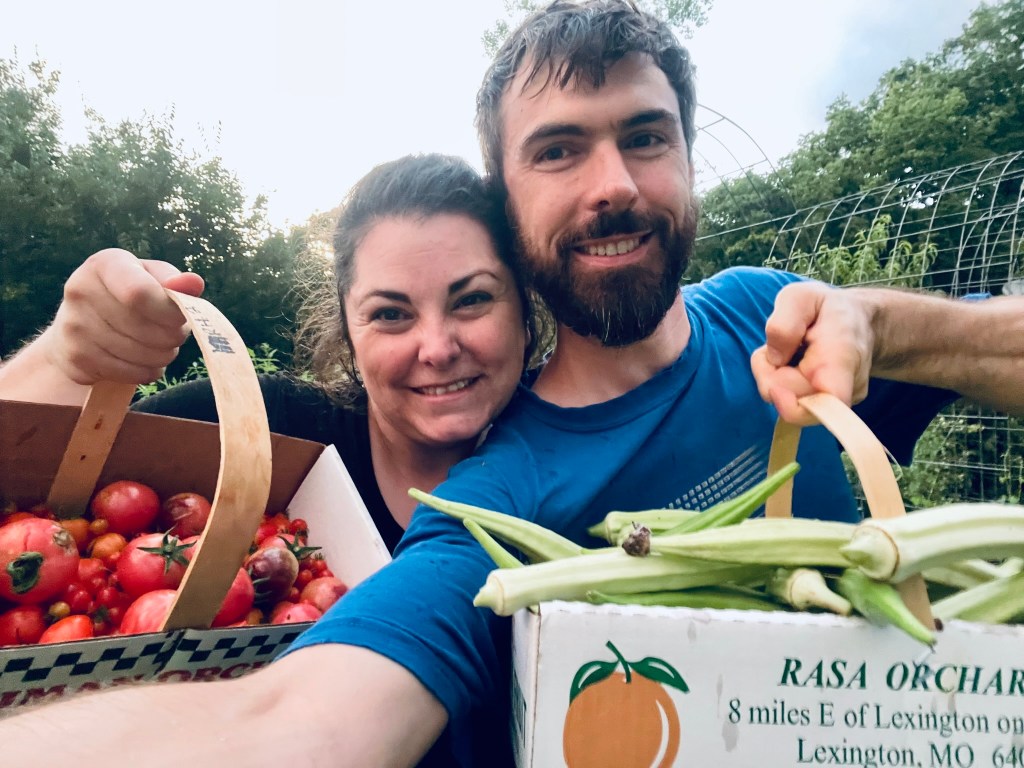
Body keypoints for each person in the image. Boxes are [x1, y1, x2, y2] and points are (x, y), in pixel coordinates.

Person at [2, 1, 1023, 766]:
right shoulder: (496, 501)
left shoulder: (772, 318)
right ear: (511, 197)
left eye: (645, 135)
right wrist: (68, 361)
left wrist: (891, 325)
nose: (613, 182)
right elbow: (287, 725)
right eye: (558, 150)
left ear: (687, 159)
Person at [0, 152, 545, 553]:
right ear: (348, 333)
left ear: (523, 307)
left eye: (472, 299)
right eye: (390, 314)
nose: (437, 348)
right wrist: (64, 361)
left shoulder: (586, 442)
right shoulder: (264, 425)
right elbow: (35, 480)